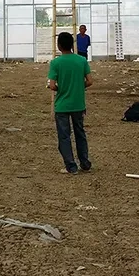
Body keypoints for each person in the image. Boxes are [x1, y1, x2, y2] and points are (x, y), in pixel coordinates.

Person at [47, 31, 92, 174]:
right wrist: (78, 86)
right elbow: (90, 81)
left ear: (59, 45)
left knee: (64, 136)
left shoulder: (55, 63)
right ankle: (85, 163)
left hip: (62, 105)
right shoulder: (81, 60)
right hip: (78, 103)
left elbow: (52, 85)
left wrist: (60, 87)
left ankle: (71, 166)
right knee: (80, 133)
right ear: (72, 44)